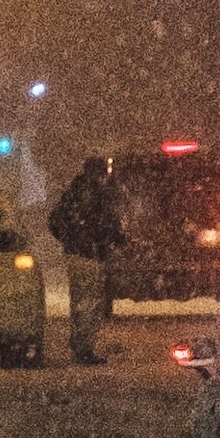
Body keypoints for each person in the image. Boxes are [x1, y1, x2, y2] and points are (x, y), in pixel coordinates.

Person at [50, 147, 126, 368]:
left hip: (77, 254)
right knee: (90, 303)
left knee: (80, 301)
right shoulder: (95, 194)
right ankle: (83, 348)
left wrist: (69, 241)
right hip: (89, 255)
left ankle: (79, 345)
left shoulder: (74, 192)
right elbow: (107, 223)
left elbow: (55, 221)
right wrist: (108, 239)